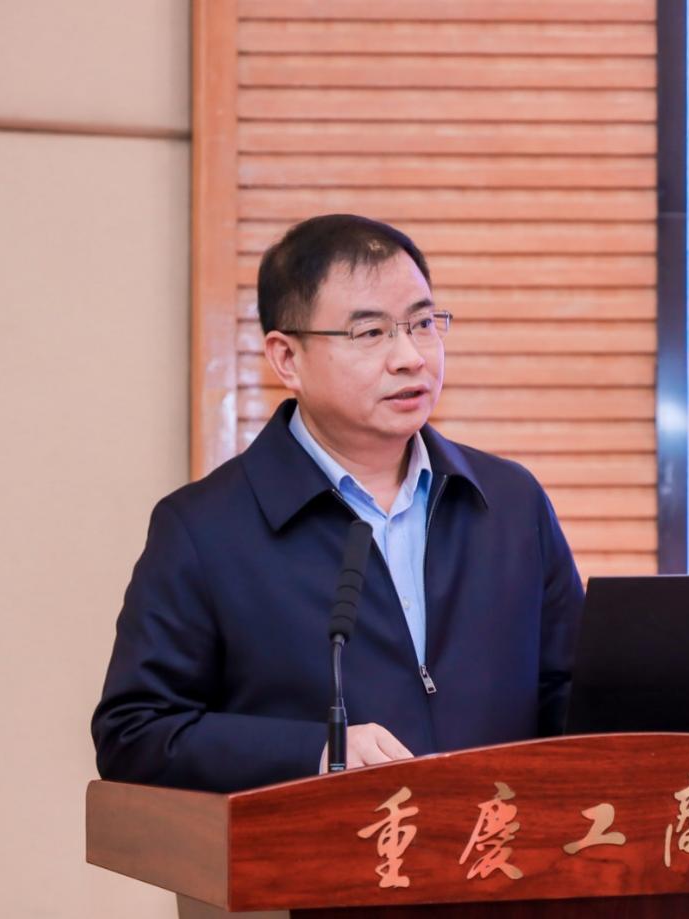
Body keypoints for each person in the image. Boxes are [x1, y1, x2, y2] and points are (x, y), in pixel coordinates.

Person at [92, 214, 584, 793]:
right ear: (287, 359)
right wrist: (316, 750)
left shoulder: (510, 502)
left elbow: (572, 698)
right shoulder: (204, 529)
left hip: (496, 840)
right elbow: (134, 733)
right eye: (370, 333)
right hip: (322, 847)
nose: (410, 356)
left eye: (423, 323)